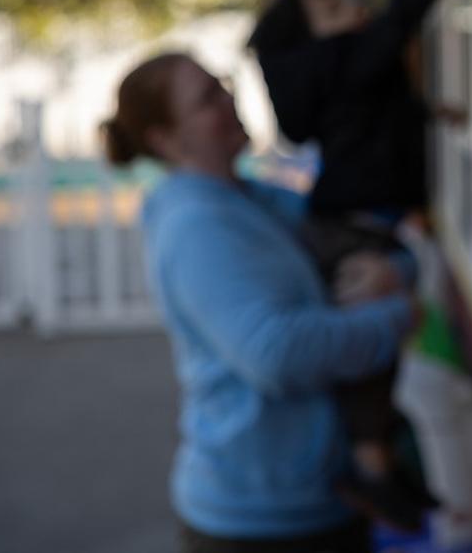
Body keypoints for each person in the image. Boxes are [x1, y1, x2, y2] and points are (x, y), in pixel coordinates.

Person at [103, 53, 419, 553]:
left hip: (320, 498)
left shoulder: (258, 199)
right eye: (206, 99)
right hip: (255, 523)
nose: (228, 100)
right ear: (166, 139)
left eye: (222, 85)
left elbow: (370, 243)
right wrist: (398, 316)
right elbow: (278, 354)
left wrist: (390, 273)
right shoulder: (196, 227)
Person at [245, 0, 472, 530]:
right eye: (332, 9)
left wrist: (430, 110)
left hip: (359, 221)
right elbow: (396, 24)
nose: (354, 9)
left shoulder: (346, 76)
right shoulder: (342, 62)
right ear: (310, 43)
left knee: (380, 354)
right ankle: (370, 466)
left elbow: (373, 113)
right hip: (355, 229)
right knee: (371, 354)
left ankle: (376, 464)